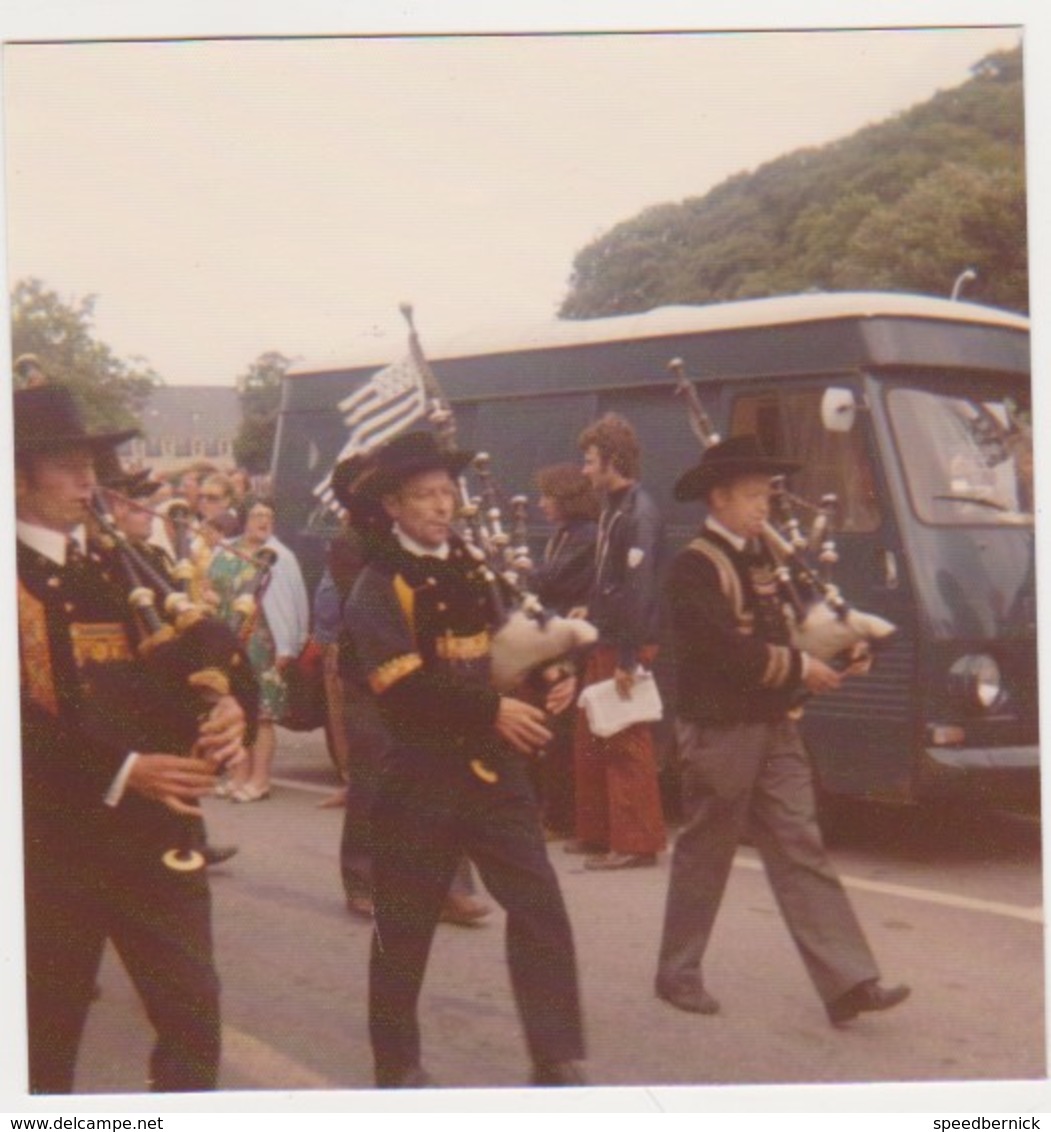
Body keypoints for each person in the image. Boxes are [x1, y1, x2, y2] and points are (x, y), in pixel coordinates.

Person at [14, 383, 255, 1094]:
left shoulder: (123, 566)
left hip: (157, 838)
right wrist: (122, 770)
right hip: (48, 847)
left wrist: (230, 709)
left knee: (192, 1018)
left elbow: (211, 657)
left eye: (91, 462)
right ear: (15, 475)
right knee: (43, 1039)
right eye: (64, 464)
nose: (88, 479)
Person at [338, 431, 586, 1088]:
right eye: (425, 495)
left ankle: (556, 1056)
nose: (442, 506)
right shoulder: (379, 583)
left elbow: (515, 638)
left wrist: (551, 673)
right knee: (405, 929)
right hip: (419, 777)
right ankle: (397, 1067)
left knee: (538, 905)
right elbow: (402, 687)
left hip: (493, 774)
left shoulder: (476, 568)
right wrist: (490, 711)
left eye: (447, 493)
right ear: (393, 504)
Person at [654, 434, 910, 1024]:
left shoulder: (762, 557)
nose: (763, 506)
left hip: (773, 726)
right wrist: (801, 667)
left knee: (801, 845)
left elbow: (793, 628)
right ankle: (678, 972)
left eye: (766, 495)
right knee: (706, 853)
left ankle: (847, 981)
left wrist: (844, 649)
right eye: (750, 496)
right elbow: (726, 652)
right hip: (721, 731)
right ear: (717, 499)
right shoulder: (694, 566)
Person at [312, 517, 489, 925]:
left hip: (432, 673)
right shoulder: (354, 538)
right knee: (373, 775)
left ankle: (452, 888)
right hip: (372, 675)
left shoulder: (437, 535)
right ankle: (363, 878)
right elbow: (367, 608)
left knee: (444, 775)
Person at [98, 462, 240, 869]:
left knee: (184, 759)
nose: (146, 513)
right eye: (135, 505)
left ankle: (189, 839)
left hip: (172, 681)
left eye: (146, 505)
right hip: (137, 691)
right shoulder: (108, 565)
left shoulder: (153, 557)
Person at [571, 413, 667, 869]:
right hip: (607, 634)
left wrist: (629, 658)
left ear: (613, 461)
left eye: (591, 461)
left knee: (624, 738)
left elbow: (640, 589)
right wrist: (589, 611)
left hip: (624, 640)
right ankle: (599, 831)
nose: (585, 470)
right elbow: (611, 580)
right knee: (595, 731)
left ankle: (635, 842)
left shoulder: (638, 513)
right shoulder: (614, 506)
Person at [209, 496, 310, 801]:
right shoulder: (226, 550)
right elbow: (212, 586)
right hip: (230, 637)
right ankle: (239, 774)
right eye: (256, 515)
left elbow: (296, 603)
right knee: (237, 709)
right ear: (244, 519)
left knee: (263, 713)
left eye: (268, 515)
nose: (263, 521)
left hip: (265, 642)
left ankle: (260, 779)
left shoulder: (280, 555)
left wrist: (289, 647)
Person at [528, 462, 600, 838]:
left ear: (567, 500)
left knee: (560, 731)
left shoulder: (585, 537)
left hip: (573, 643)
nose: (541, 504)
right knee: (553, 727)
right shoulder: (565, 535)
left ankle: (559, 817)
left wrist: (526, 572)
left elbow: (553, 580)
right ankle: (552, 811)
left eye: (548, 497)